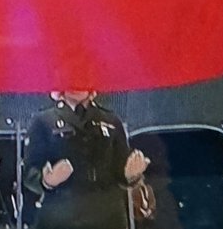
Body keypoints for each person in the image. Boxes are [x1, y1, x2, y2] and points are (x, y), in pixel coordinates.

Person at [23, 91, 149, 229]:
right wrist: (47, 181)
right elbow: (29, 172)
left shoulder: (111, 120)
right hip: (62, 216)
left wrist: (131, 176)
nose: (77, 83)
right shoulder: (43, 121)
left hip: (108, 217)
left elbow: (121, 169)